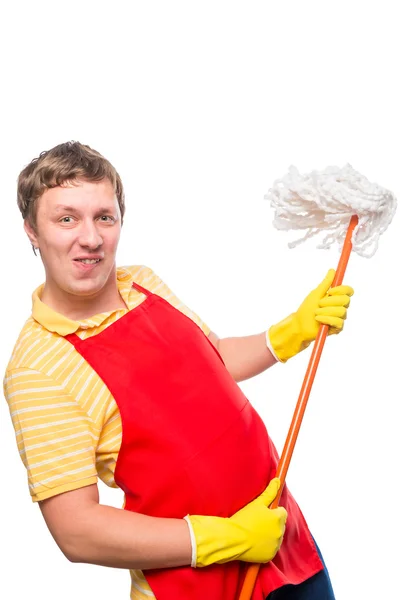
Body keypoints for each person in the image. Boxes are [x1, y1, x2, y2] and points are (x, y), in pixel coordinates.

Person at [3, 141, 354, 600]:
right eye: (66, 218)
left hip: (281, 539)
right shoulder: (37, 369)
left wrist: (290, 333)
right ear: (32, 230)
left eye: (103, 217)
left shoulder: (144, 282)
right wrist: (226, 539)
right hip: (193, 586)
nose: (90, 238)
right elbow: (77, 529)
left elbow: (213, 362)